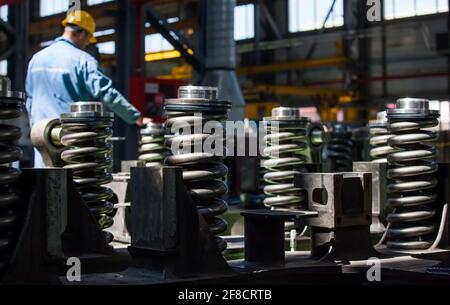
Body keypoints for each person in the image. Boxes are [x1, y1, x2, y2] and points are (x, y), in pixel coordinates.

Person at [25, 10, 150, 167]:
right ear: (82, 33)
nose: (87, 43)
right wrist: (135, 117)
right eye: (88, 39)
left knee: (45, 184)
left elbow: (30, 99)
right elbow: (106, 93)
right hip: (72, 136)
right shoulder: (82, 60)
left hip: (42, 136)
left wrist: (36, 128)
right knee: (76, 184)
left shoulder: (36, 59)